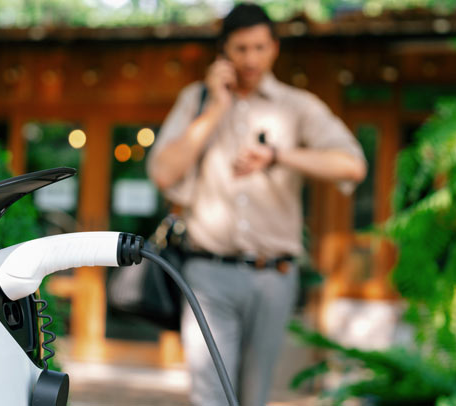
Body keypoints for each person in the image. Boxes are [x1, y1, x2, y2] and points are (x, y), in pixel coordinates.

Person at [147, 3, 367, 405]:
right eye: (241, 49)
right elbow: (162, 172)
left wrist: (280, 156)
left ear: (275, 49)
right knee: (209, 396)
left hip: (273, 277)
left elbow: (352, 166)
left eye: (259, 47)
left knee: (254, 397)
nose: (251, 59)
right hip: (207, 272)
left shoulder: (297, 106)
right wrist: (216, 109)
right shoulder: (196, 100)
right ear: (224, 52)